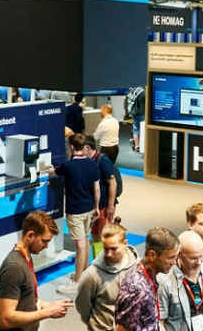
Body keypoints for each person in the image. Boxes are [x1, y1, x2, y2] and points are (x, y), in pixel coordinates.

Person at [0, 211, 72, 330]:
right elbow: (6, 319)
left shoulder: (26, 257)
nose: (46, 246)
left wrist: (50, 306)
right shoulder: (14, 267)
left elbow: (28, 298)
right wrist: (47, 313)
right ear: (30, 236)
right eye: (44, 241)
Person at [48, 133, 101, 294]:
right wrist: (96, 207)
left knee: (80, 245)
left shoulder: (67, 165)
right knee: (85, 241)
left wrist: (48, 169)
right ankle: (84, 274)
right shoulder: (92, 163)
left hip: (75, 210)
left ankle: (77, 282)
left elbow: (53, 173)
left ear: (71, 147)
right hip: (89, 208)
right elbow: (96, 189)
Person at [75, 218, 139, 331]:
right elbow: (83, 306)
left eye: (113, 249)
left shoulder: (138, 267)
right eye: (105, 249)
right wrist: (95, 325)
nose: (109, 254)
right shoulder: (91, 275)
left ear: (125, 244)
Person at [158, 231, 203, 331]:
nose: (199, 262)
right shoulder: (164, 281)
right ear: (179, 254)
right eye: (193, 258)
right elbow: (159, 322)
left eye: (202, 256)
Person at [115, 227, 179, 331]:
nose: (174, 262)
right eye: (170, 258)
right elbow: (122, 329)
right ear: (152, 255)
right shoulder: (137, 289)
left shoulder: (147, 276)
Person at [81, 136, 118, 252]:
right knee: (95, 236)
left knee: (104, 238)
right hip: (95, 207)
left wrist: (110, 205)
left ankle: (106, 260)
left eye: (81, 149)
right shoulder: (89, 162)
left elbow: (112, 183)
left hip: (105, 206)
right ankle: (98, 259)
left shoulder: (103, 161)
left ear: (87, 148)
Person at [129, 86, 146, 152]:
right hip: (142, 113)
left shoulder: (135, 90)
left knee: (136, 129)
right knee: (142, 129)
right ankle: (142, 146)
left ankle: (136, 145)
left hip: (134, 112)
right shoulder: (144, 92)